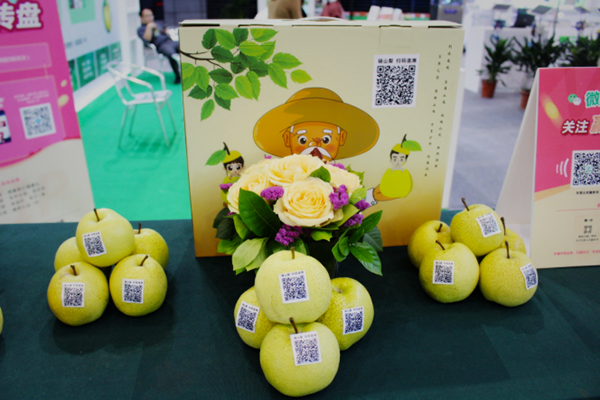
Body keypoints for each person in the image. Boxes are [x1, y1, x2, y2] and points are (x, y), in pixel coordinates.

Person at [253, 87, 379, 162]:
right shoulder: (285, 176)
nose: (315, 146)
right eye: (302, 140)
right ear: (287, 138)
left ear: (341, 138)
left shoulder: (342, 177)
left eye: (326, 139)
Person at [138, 8, 181, 84]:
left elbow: (163, 33)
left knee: (184, 47)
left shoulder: (157, 24)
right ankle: (178, 76)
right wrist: (149, 27)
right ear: (142, 17)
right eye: (147, 16)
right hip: (161, 45)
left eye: (151, 15)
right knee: (172, 55)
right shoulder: (141, 29)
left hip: (170, 41)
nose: (150, 18)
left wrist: (164, 31)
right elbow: (147, 40)